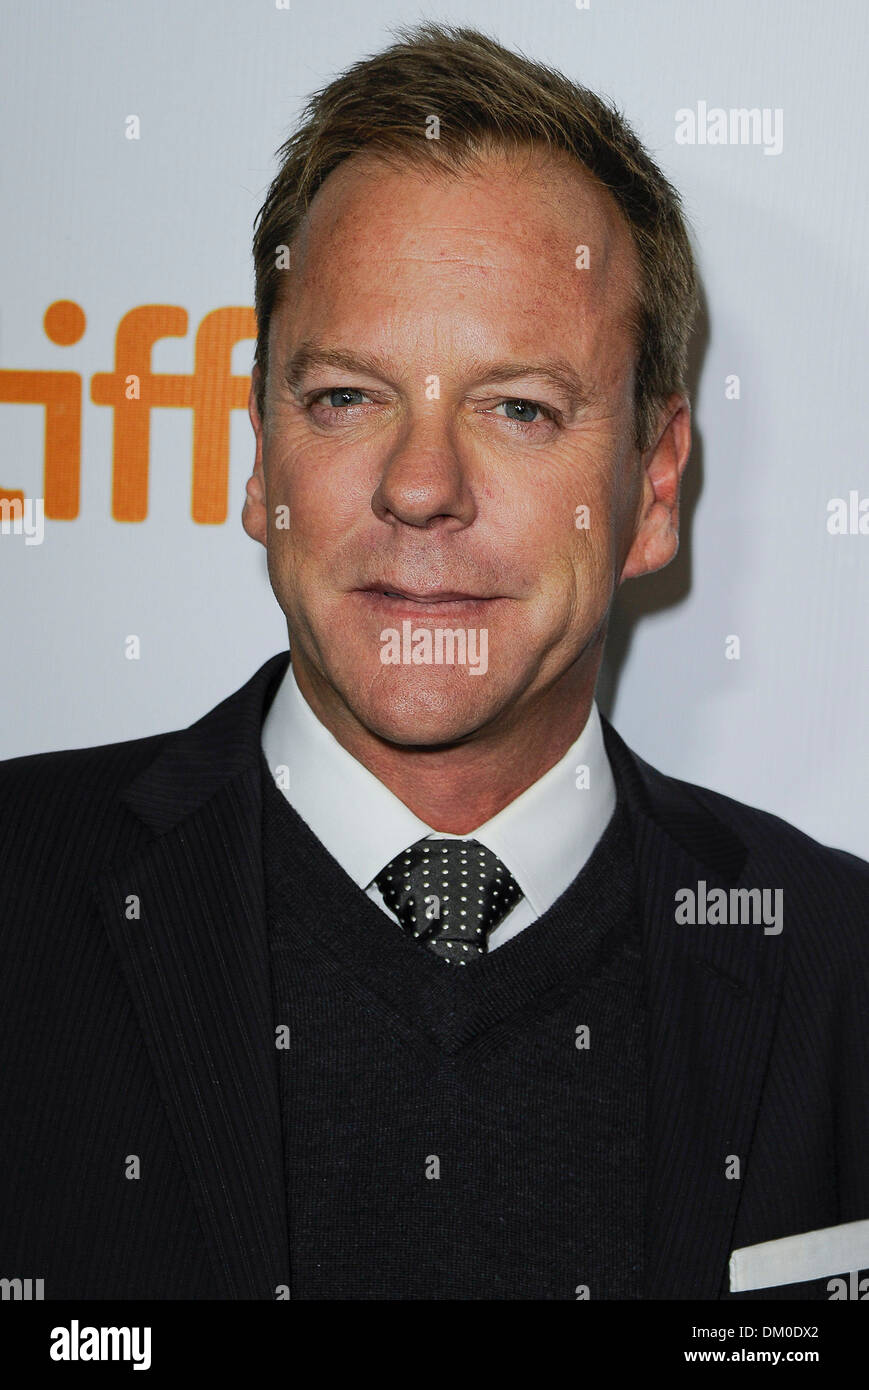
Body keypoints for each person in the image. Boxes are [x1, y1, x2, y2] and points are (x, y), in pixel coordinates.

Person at [1, 22, 866, 1302]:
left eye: (518, 407)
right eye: (345, 396)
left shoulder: (838, 971)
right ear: (259, 457)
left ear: (655, 486)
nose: (418, 486)